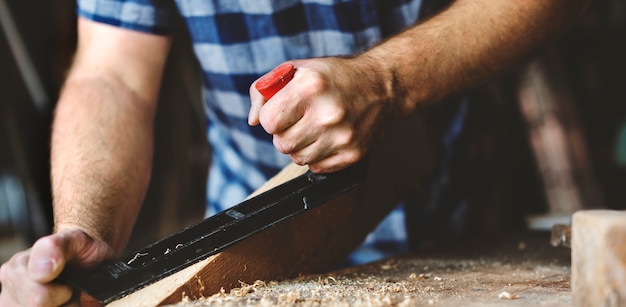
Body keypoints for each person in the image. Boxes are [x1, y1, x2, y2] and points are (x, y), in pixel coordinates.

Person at [0, 0, 588, 306]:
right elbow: (113, 75)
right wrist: (82, 237)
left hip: (471, 213)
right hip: (255, 255)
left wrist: (385, 80)